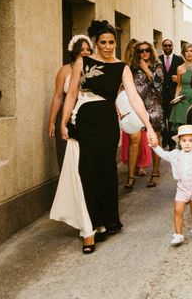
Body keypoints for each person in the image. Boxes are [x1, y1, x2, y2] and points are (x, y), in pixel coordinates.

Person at [60, 20, 158, 254]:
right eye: (102, 42)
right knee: (87, 172)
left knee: (105, 172)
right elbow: (72, 94)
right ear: (95, 43)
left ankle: (105, 220)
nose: (107, 46)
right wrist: (64, 123)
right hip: (84, 120)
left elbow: (134, 99)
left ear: (116, 42)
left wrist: (149, 127)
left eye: (111, 42)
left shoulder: (121, 67)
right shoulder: (83, 62)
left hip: (106, 122)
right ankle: (89, 228)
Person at [150, 125, 192, 245]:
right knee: (177, 210)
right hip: (182, 187)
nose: (187, 144)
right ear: (179, 142)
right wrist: (155, 146)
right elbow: (163, 154)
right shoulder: (176, 154)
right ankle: (178, 234)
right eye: (184, 141)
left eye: (190, 141)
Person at [48, 34, 92, 169]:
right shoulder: (65, 70)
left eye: (87, 49)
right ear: (74, 51)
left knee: (86, 154)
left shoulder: (95, 69)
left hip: (88, 114)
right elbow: (58, 97)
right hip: (67, 114)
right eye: (81, 49)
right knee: (65, 150)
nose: (85, 52)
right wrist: (52, 122)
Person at [127, 42, 165, 189]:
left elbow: (159, 86)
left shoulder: (157, 66)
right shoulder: (132, 67)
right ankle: (131, 176)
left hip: (153, 107)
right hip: (136, 107)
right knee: (134, 140)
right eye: (140, 50)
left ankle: (155, 173)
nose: (144, 52)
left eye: (147, 50)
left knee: (154, 139)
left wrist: (147, 70)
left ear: (151, 51)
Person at [159, 38, 183, 149]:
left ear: (172, 46)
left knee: (172, 120)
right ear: (162, 47)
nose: (168, 47)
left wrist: (177, 79)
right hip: (160, 95)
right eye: (165, 45)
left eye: (169, 45)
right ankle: (165, 138)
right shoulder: (158, 60)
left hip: (174, 94)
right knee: (162, 120)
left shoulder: (179, 60)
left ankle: (172, 143)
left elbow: (183, 78)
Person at [169, 43, 192, 130]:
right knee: (182, 123)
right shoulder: (180, 68)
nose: (189, 53)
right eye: (187, 51)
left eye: (191, 51)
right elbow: (179, 85)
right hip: (183, 98)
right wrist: (176, 97)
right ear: (183, 53)